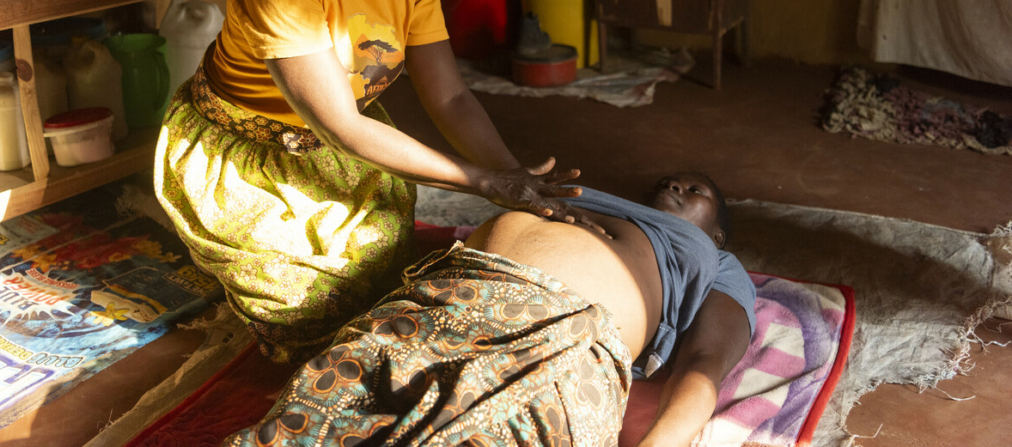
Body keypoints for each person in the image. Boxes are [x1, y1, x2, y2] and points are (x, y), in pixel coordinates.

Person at [154, 0, 587, 365]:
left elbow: (450, 95)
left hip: (344, 144)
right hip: (247, 153)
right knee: (308, 314)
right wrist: (479, 181)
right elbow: (339, 126)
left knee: (378, 274)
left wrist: (509, 176)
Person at [222, 172, 756, 447]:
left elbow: (705, 365)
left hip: (555, 332)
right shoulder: (592, 196)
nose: (674, 184)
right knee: (328, 408)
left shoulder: (720, 263)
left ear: (718, 233)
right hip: (442, 298)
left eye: (696, 188)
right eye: (670, 179)